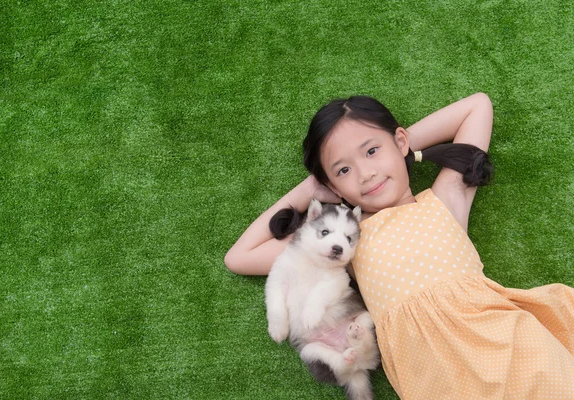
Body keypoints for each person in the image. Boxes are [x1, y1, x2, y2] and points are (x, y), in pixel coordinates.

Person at [225, 93, 574, 399]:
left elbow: (476, 106)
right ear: (332, 185)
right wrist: (310, 190)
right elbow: (240, 257)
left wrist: (400, 148)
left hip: (515, 349)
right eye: (343, 170)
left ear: (401, 142)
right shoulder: (345, 243)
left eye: (372, 151)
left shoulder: (444, 200)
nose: (365, 173)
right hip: (437, 381)